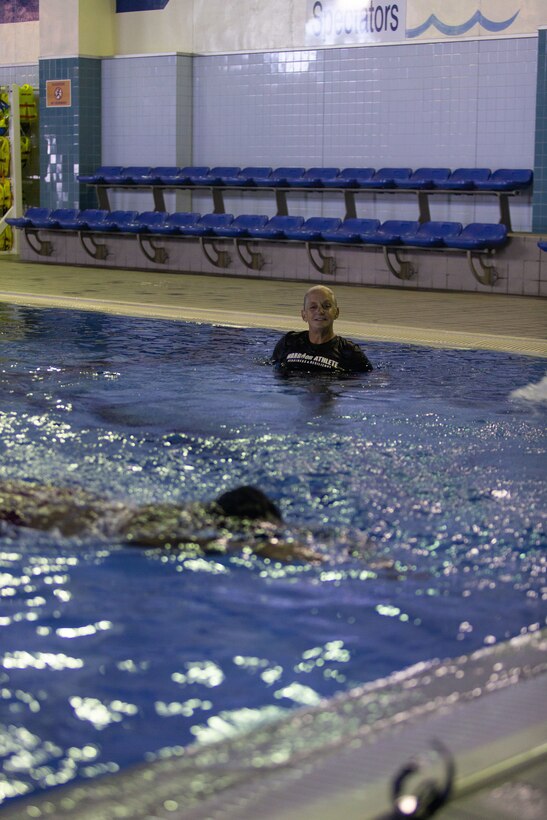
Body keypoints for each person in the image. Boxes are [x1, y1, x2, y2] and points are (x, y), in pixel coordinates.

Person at [0, 479, 324, 563]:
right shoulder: (173, 526)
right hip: (27, 516)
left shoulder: (195, 514)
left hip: (71, 503)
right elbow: (142, 539)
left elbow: (275, 529)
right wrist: (247, 550)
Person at [271, 285, 373, 374]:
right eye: (313, 307)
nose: (320, 311)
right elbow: (270, 368)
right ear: (304, 315)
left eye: (326, 306)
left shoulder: (349, 351)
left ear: (336, 312)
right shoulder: (289, 341)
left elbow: (368, 378)